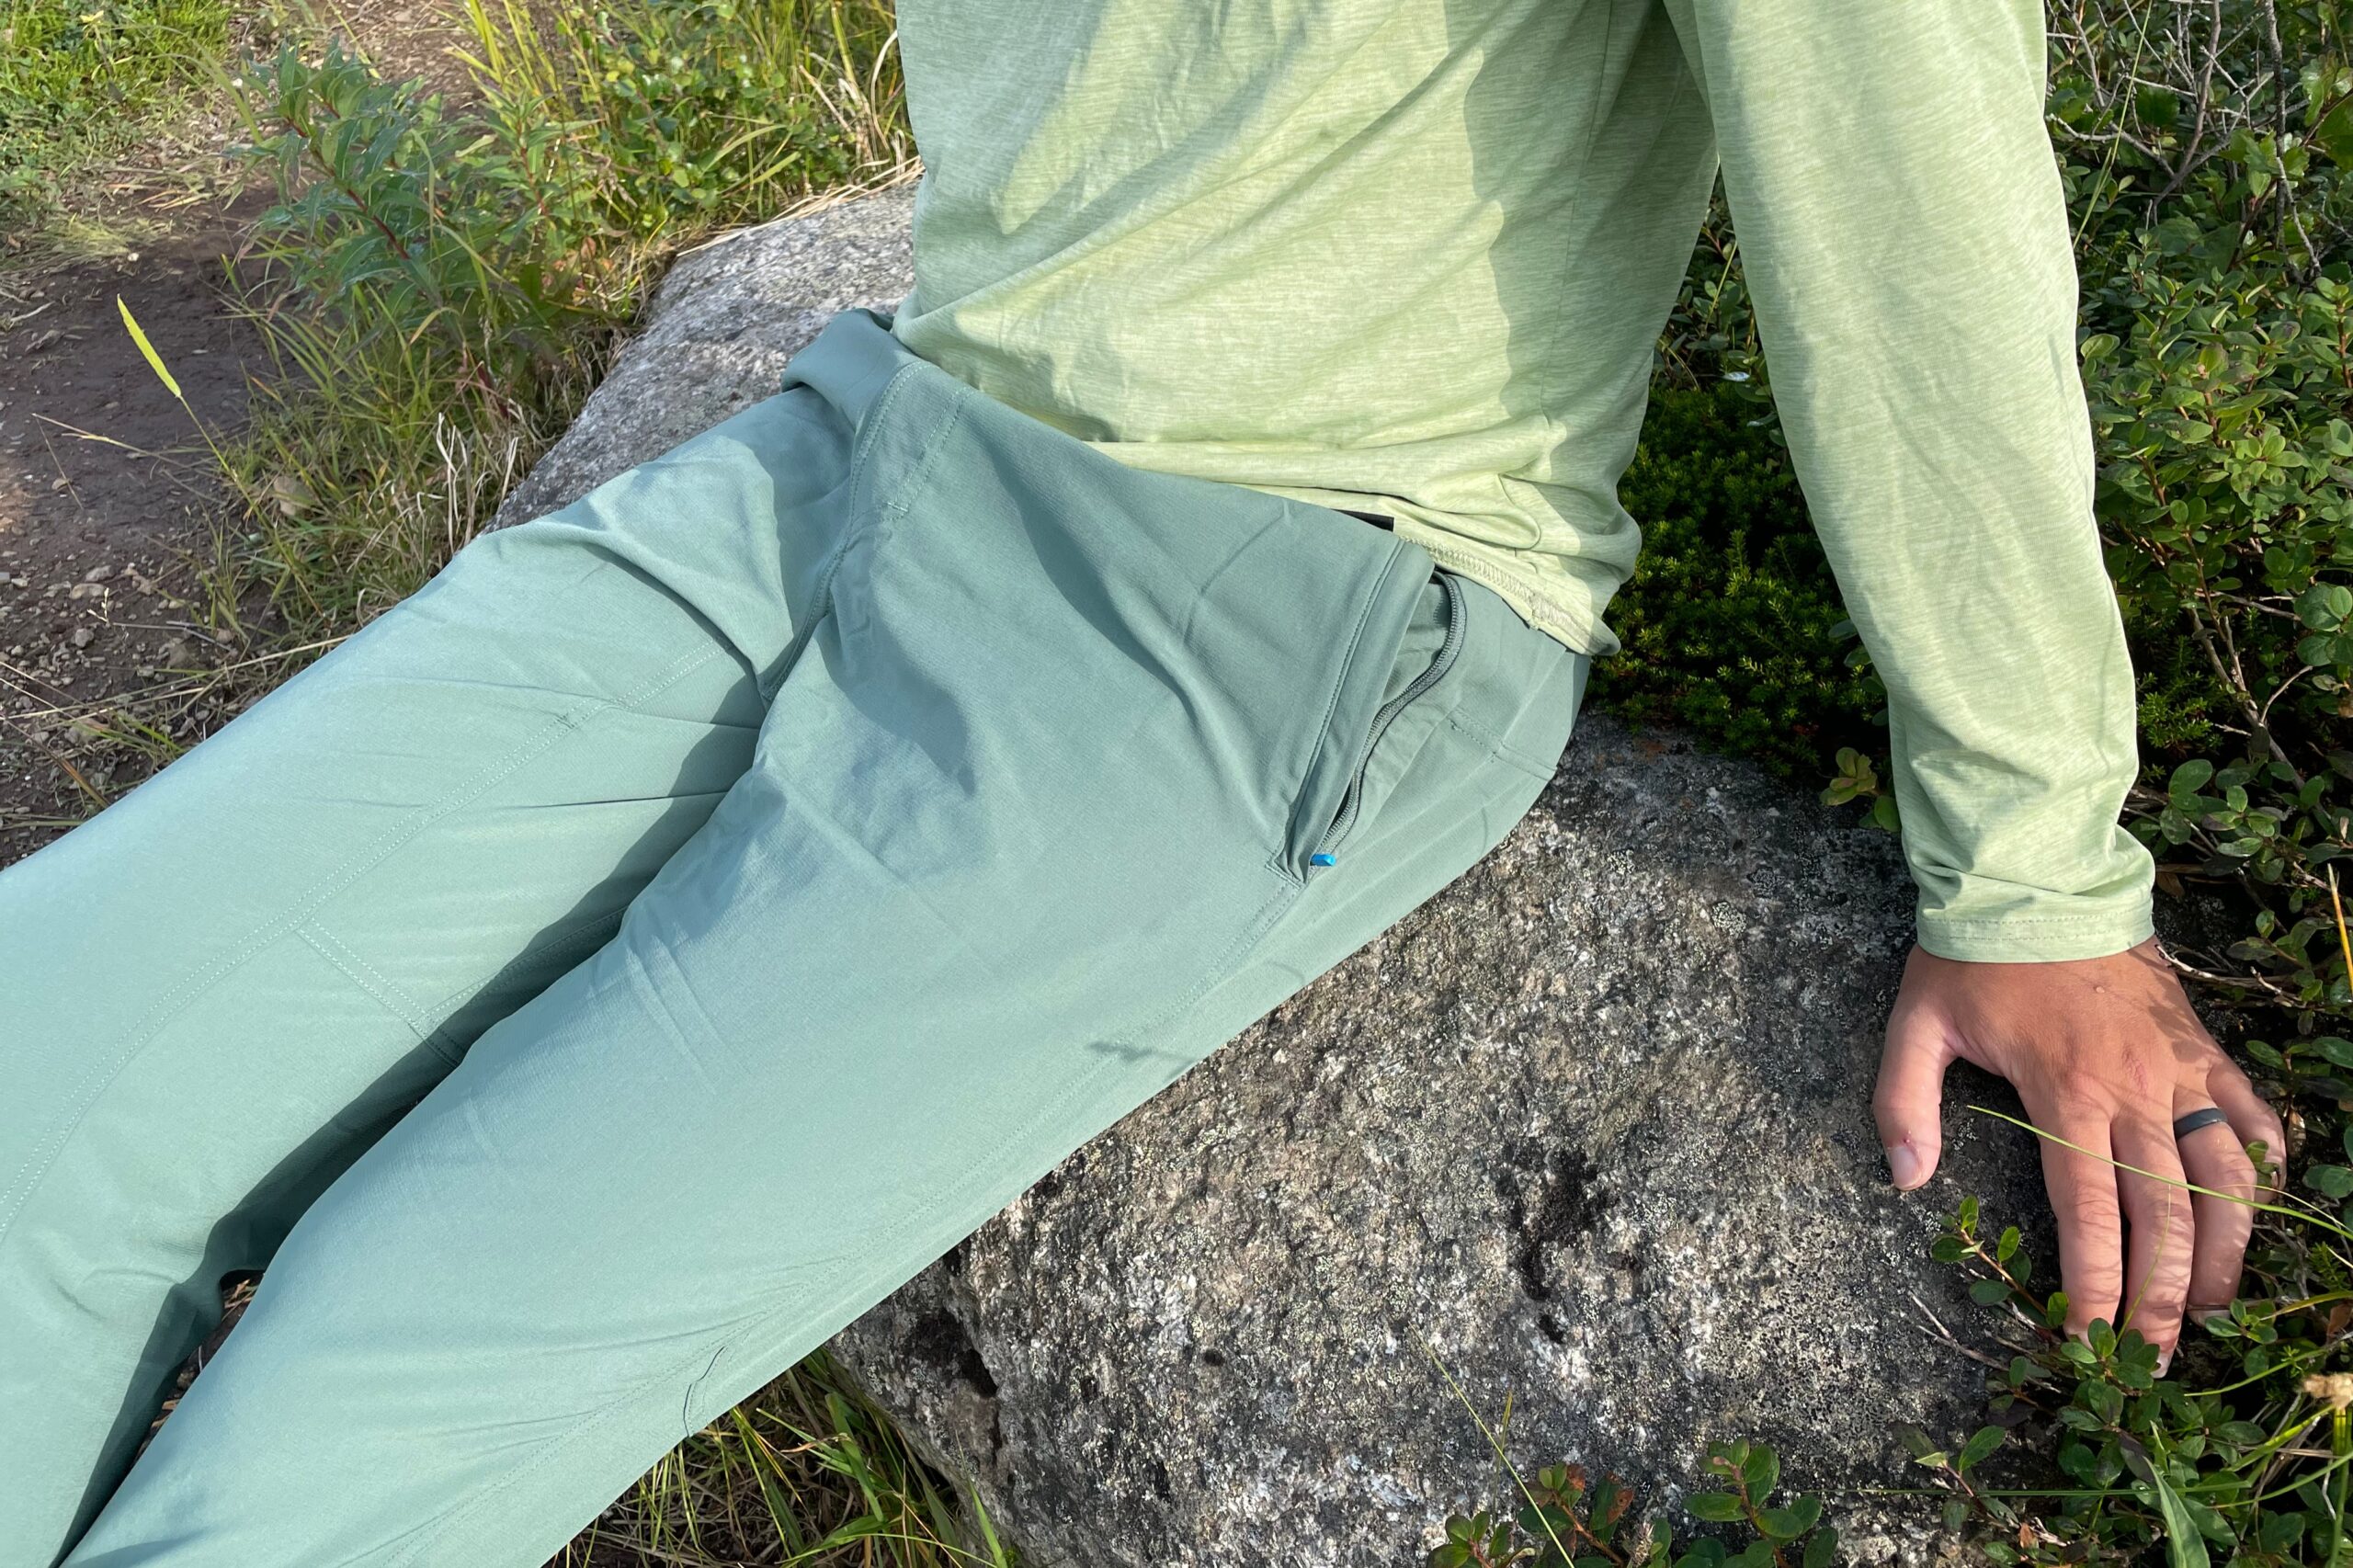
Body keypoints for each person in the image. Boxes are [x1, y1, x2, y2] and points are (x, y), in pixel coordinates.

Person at [0, 0, 2288, 1562]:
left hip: (1275, 604)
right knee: (42, 1063)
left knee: (367, 1381)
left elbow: (1911, 214)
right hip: (872, 448)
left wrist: (2033, 865)